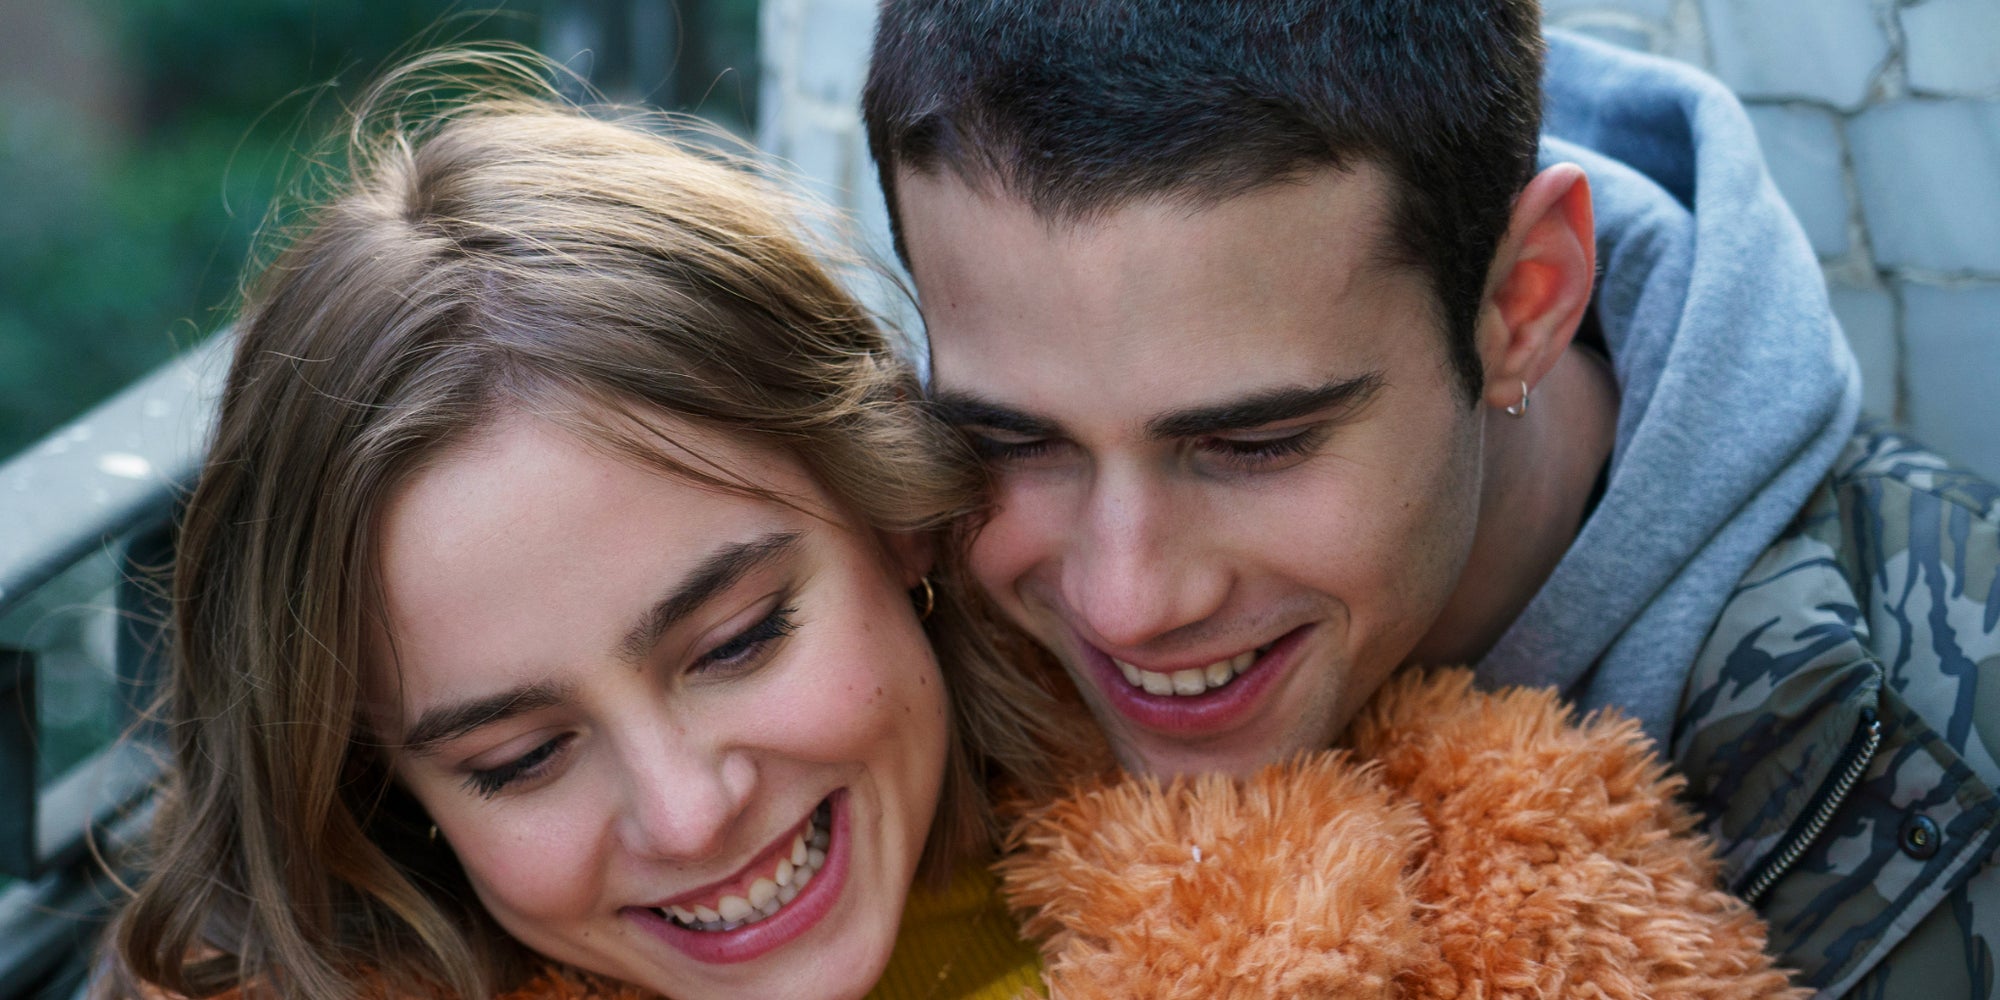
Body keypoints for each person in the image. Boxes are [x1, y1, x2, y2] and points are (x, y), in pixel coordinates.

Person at [861, 1, 2000, 996]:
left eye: (1251, 443)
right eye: (1010, 439)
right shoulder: (875, 667)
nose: (1123, 603)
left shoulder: (1953, 721)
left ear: (1522, 302)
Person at [98, 50, 1086, 1000]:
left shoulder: (1207, 817)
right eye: (521, 759)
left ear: (894, 509)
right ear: (376, 786)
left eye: (737, 643)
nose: (688, 816)